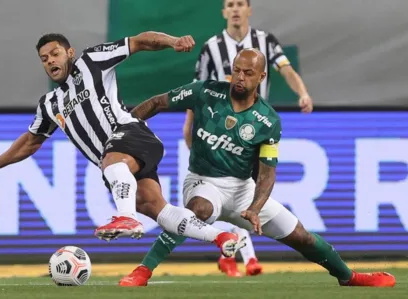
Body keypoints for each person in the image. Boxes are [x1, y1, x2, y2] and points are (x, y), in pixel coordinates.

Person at [118, 48, 396, 288]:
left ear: (261, 77)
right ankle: (142, 271)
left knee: (302, 237)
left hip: (243, 191)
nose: (240, 76)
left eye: (248, 72)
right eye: (236, 70)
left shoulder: (267, 120)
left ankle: (349, 277)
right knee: (198, 211)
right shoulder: (205, 92)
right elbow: (156, 102)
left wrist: (254, 206)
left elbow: (267, 173)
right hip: (203, 181)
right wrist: (123, 133)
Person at [0, 32, 245, 257]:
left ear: (69, 52)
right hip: (118, 163)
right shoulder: (49, 104)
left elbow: (139, 41)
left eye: (55, 54)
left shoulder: (91, 61)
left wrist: (172, 42)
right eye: (44, 59)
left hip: (131, 135)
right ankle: (221, 237)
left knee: (112, 161)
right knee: (159, 210)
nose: (51, 61)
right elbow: (30, 142)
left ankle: (126, 217)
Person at [183, 0, 314, 276]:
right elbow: (197, 91)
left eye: (240, 3)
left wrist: (301, 92)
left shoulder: (264, 42)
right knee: (232, 190)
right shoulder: (211, 47)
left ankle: (235, 254)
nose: (235, 9)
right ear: (223, 11)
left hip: (254, 131)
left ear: (249, 9)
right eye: (230, 4)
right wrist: (189, 126)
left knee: (243, 192)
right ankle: (246, 256)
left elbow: (286, 69)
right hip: (218, 131)